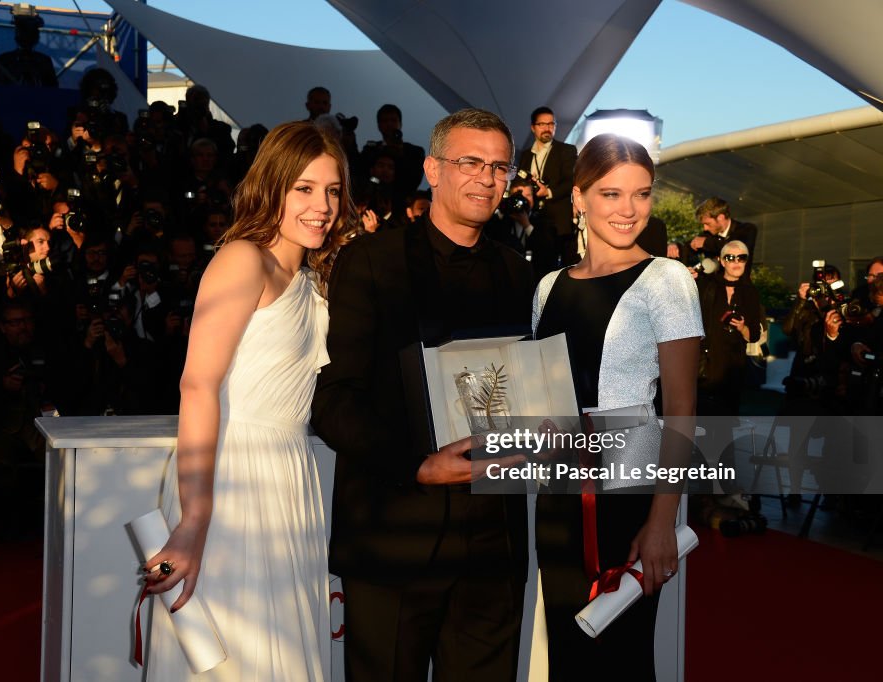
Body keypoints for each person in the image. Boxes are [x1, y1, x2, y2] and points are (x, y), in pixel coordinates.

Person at [312, 108, 533, 681]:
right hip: (395, 536)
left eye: (499, 166)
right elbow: (335, 400)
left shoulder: (518, 272)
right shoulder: (372, 261)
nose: (487, 178)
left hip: (493, 544)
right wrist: (419, 466)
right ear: (433, 169)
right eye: (470, 162)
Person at [143, 121, 353, 681]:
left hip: (289, 478)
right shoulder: (243, 258)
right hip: (232, 478)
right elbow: (197, 385)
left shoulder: (312, 278)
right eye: (304, 189)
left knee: (277, 650)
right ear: (273, 186)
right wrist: (194, 519)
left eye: (333, 191)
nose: (322, 206)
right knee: (233, 655)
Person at [531, 133, 702, 681]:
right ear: (578, 197)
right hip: (558, 495)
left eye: (641, 193)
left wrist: (662, 518)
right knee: (567, 651)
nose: (629, 210)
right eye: (610, 194)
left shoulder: (667, 281)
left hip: (630, 494)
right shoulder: (548, 287)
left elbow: (681, 407)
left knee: (623, 657)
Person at [695, 240, 765, 417]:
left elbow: (753, 336)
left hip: (732, 369)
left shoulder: (750, 293)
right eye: (730, 257)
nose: (736, 262)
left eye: (741, 258)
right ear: (722, 261)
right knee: (702, 422)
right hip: (705, 365)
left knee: (726, 425)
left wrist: (742, 328)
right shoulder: (706, 285)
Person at [517, 107, 577, 266]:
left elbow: (571, 180)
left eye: (551, 124)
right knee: (535, 267)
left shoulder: (566, 150)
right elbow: (518, 180)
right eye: (542, 124)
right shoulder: (525, 154)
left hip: (558, 223)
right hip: (531, 218)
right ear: (533, 127)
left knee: (558, 269)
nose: (547, 128)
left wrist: (548, 191)